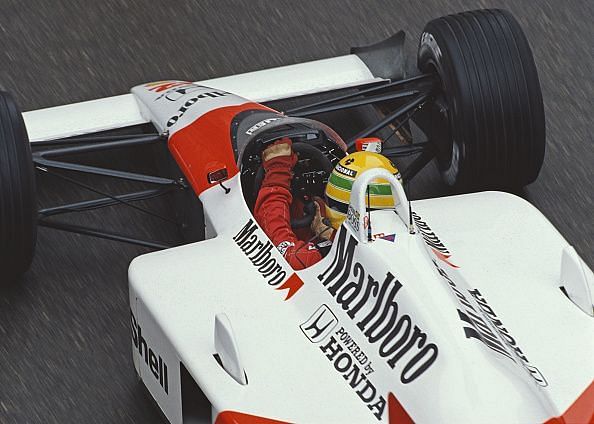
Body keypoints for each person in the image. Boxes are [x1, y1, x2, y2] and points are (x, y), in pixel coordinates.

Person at [254, 137, 401, 270]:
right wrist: (331, 234)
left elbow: (284, 247)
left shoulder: (326, 258)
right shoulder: (409, 233)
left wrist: (277, 171)